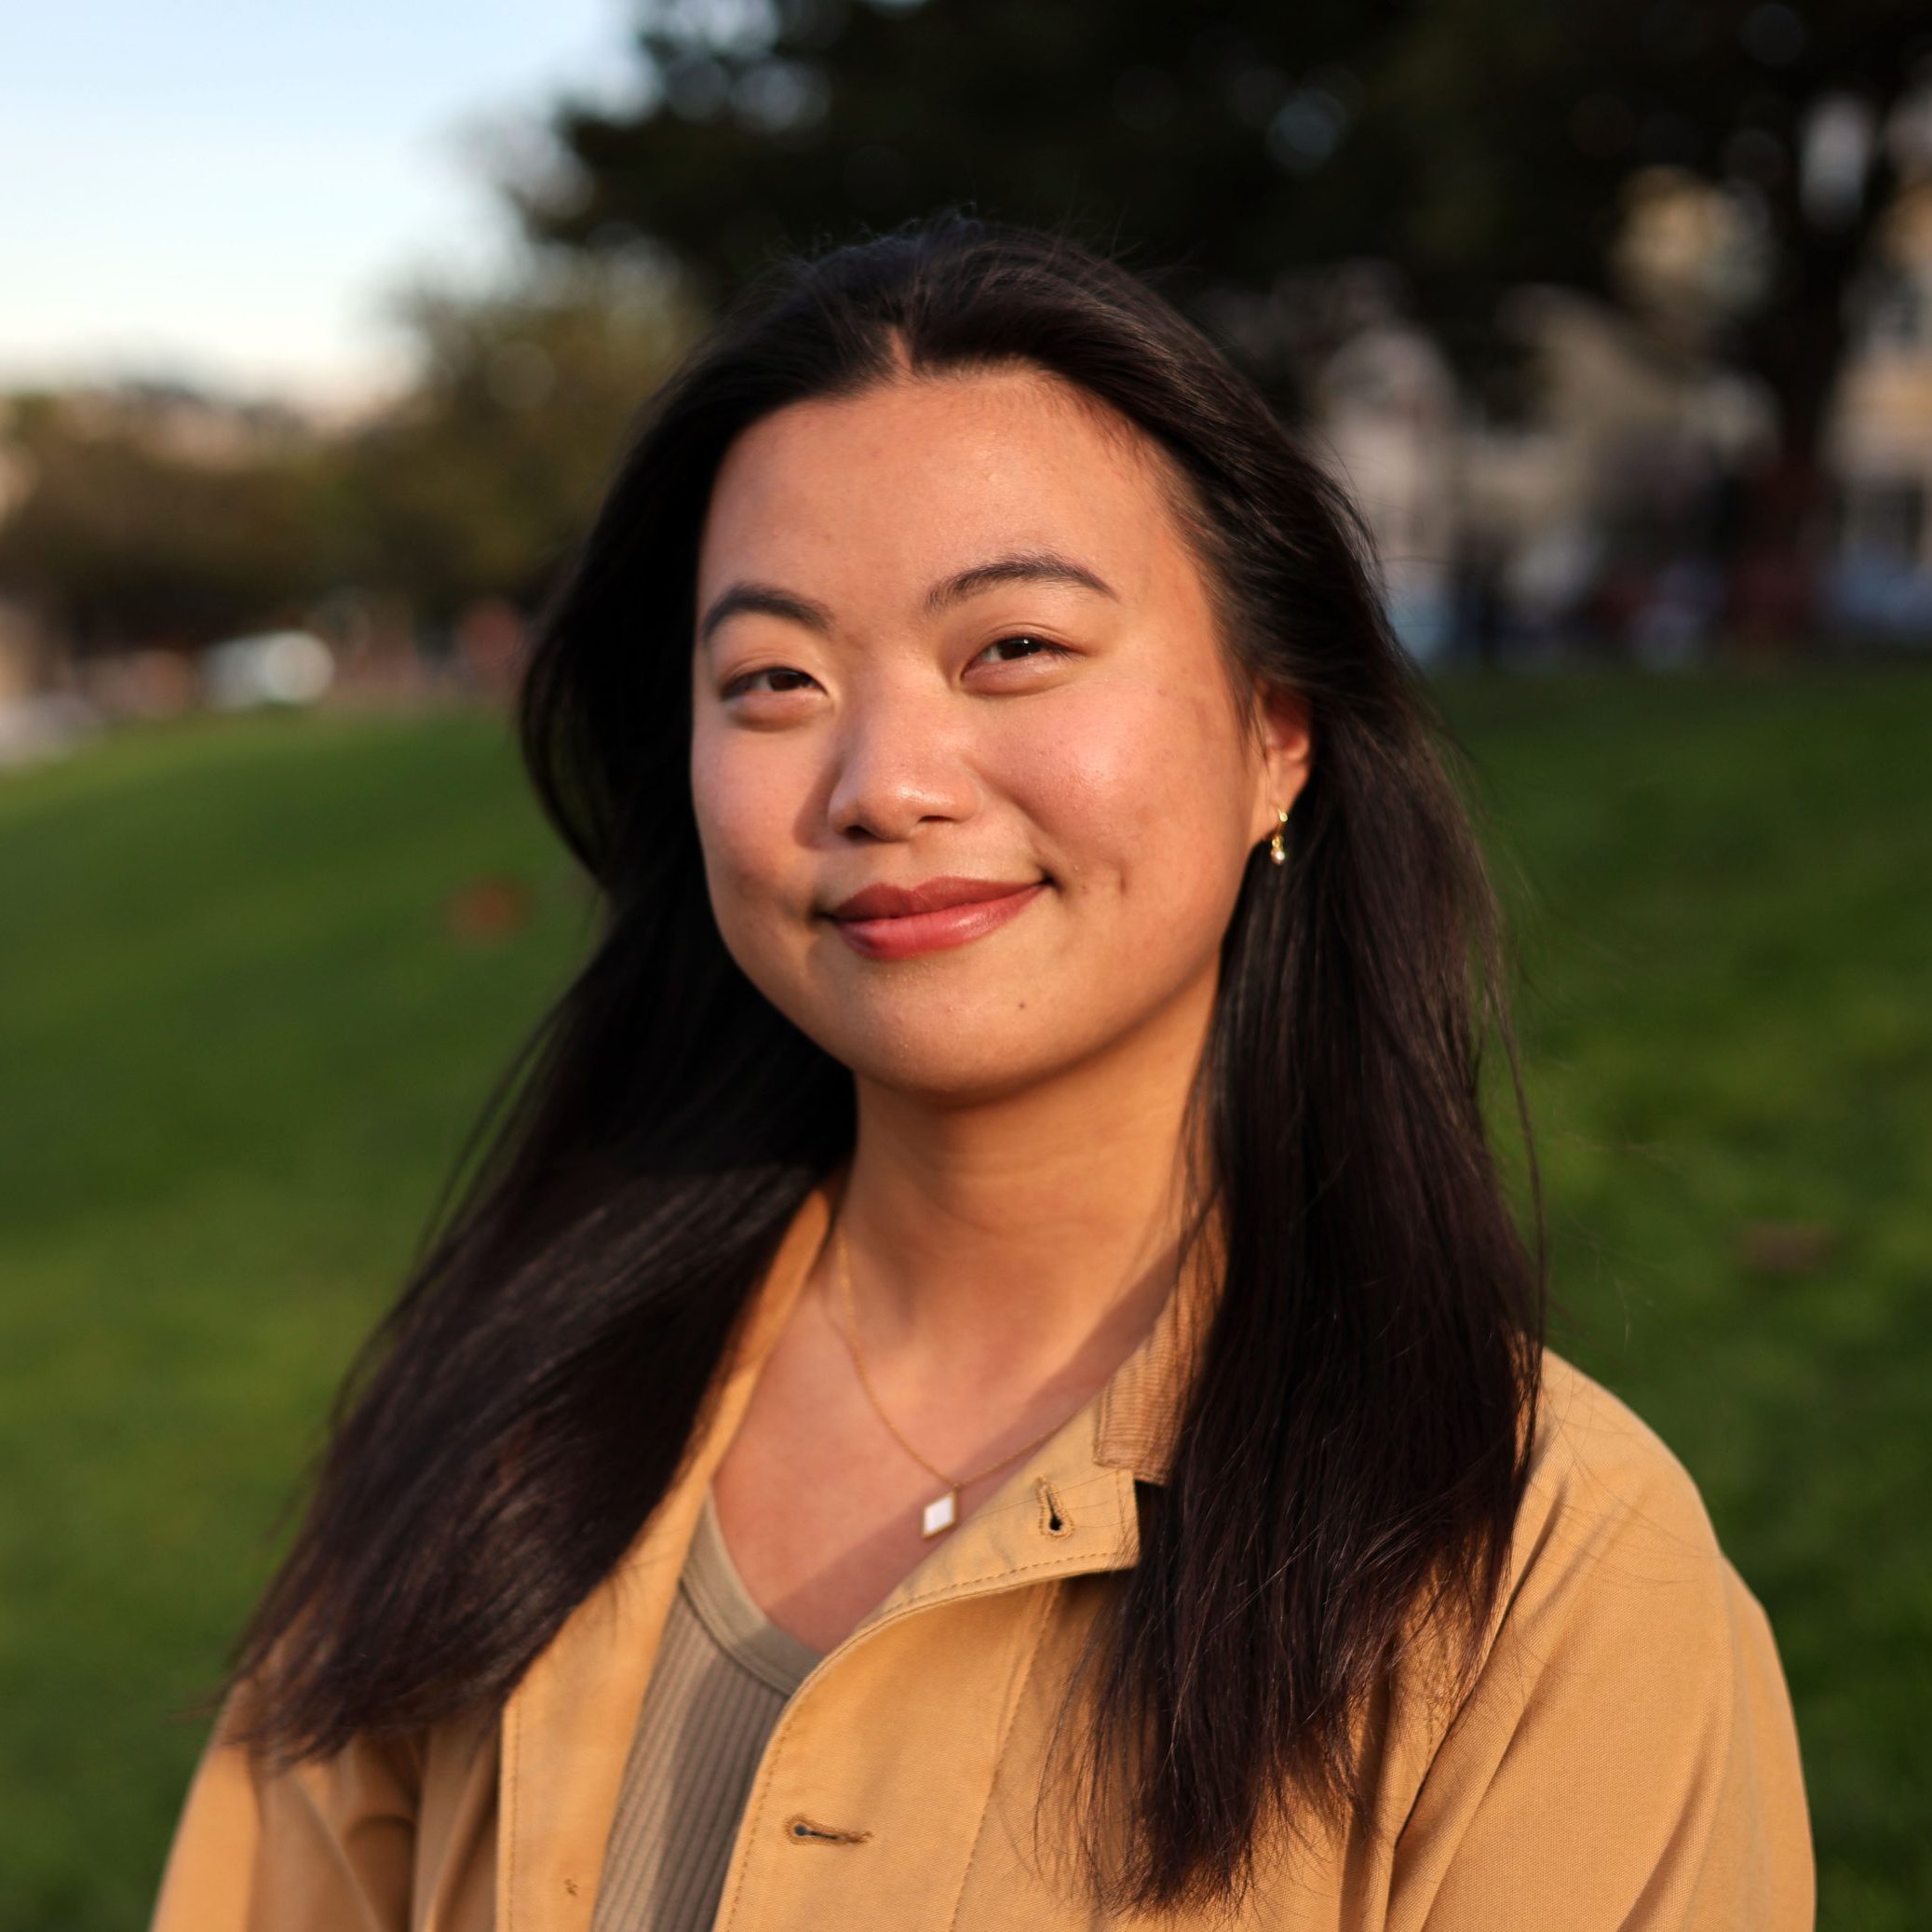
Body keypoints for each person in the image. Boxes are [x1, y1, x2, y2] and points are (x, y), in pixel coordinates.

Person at [151, 210, 1814, 1931]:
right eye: (773, 678)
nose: (886, 780)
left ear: (1276, 735)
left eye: (1012, 647)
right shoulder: (496, 1427)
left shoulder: (1547, 1582)